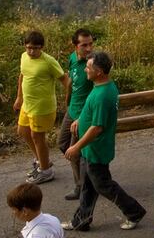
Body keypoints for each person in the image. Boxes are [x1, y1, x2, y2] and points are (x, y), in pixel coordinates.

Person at [62, 51, 146, 232]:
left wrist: (76, 146)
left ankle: (134, 211)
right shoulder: (102, 86)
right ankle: (81, 221)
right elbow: (91, 112)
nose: (85, 69)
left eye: (88, 67)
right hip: (91, 150)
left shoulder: (102, 95)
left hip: (96, 150)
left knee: (103, 185)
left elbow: (97, 127)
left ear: (99, 71)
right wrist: (80, 119)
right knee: (88, 186)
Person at [14, 30, 66, 184]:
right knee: (23, 131)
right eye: (29, 47)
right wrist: (19, 97)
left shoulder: (48, 62)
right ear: (25, 46)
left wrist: (72, 99)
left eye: (35, 48)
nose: (31, 51)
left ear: (42, 47)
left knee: (38, 137)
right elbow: (22, 76)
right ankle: (41, 160)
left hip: (42, 107)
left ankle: (46, 171)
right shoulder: (24, 57)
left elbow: (65, 79)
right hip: (27, 105)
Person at [60, 28, 95, 200]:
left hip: (84, 114)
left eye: (90, 44)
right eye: (84, 45)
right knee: (62, 144)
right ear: (75, 46)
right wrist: (67, 101)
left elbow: (98, 91)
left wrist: (82, 118)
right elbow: (70, 80)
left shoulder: (93, 64)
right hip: (72, 109)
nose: (88, 49)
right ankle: (89, 178)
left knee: (74, 151)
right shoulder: (72, 58)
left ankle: (81, 187)